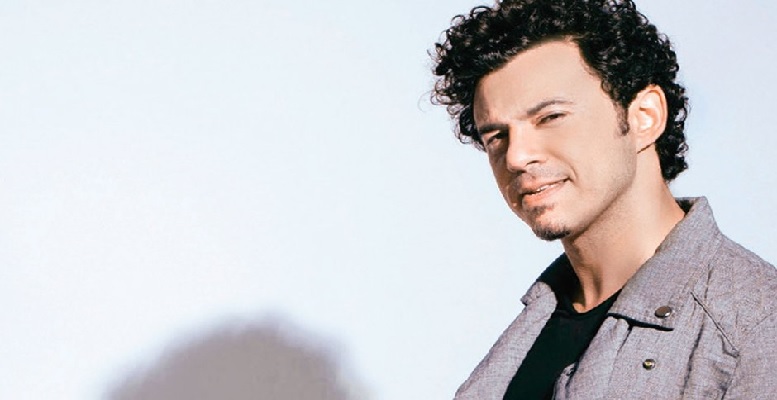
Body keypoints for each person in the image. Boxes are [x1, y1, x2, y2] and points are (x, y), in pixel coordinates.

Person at [430, 0, 777, 399]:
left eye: (550, 118)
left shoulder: (754, 327)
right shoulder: (522, 342)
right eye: (497, 137)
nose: (517, 157)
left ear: (644, 116)